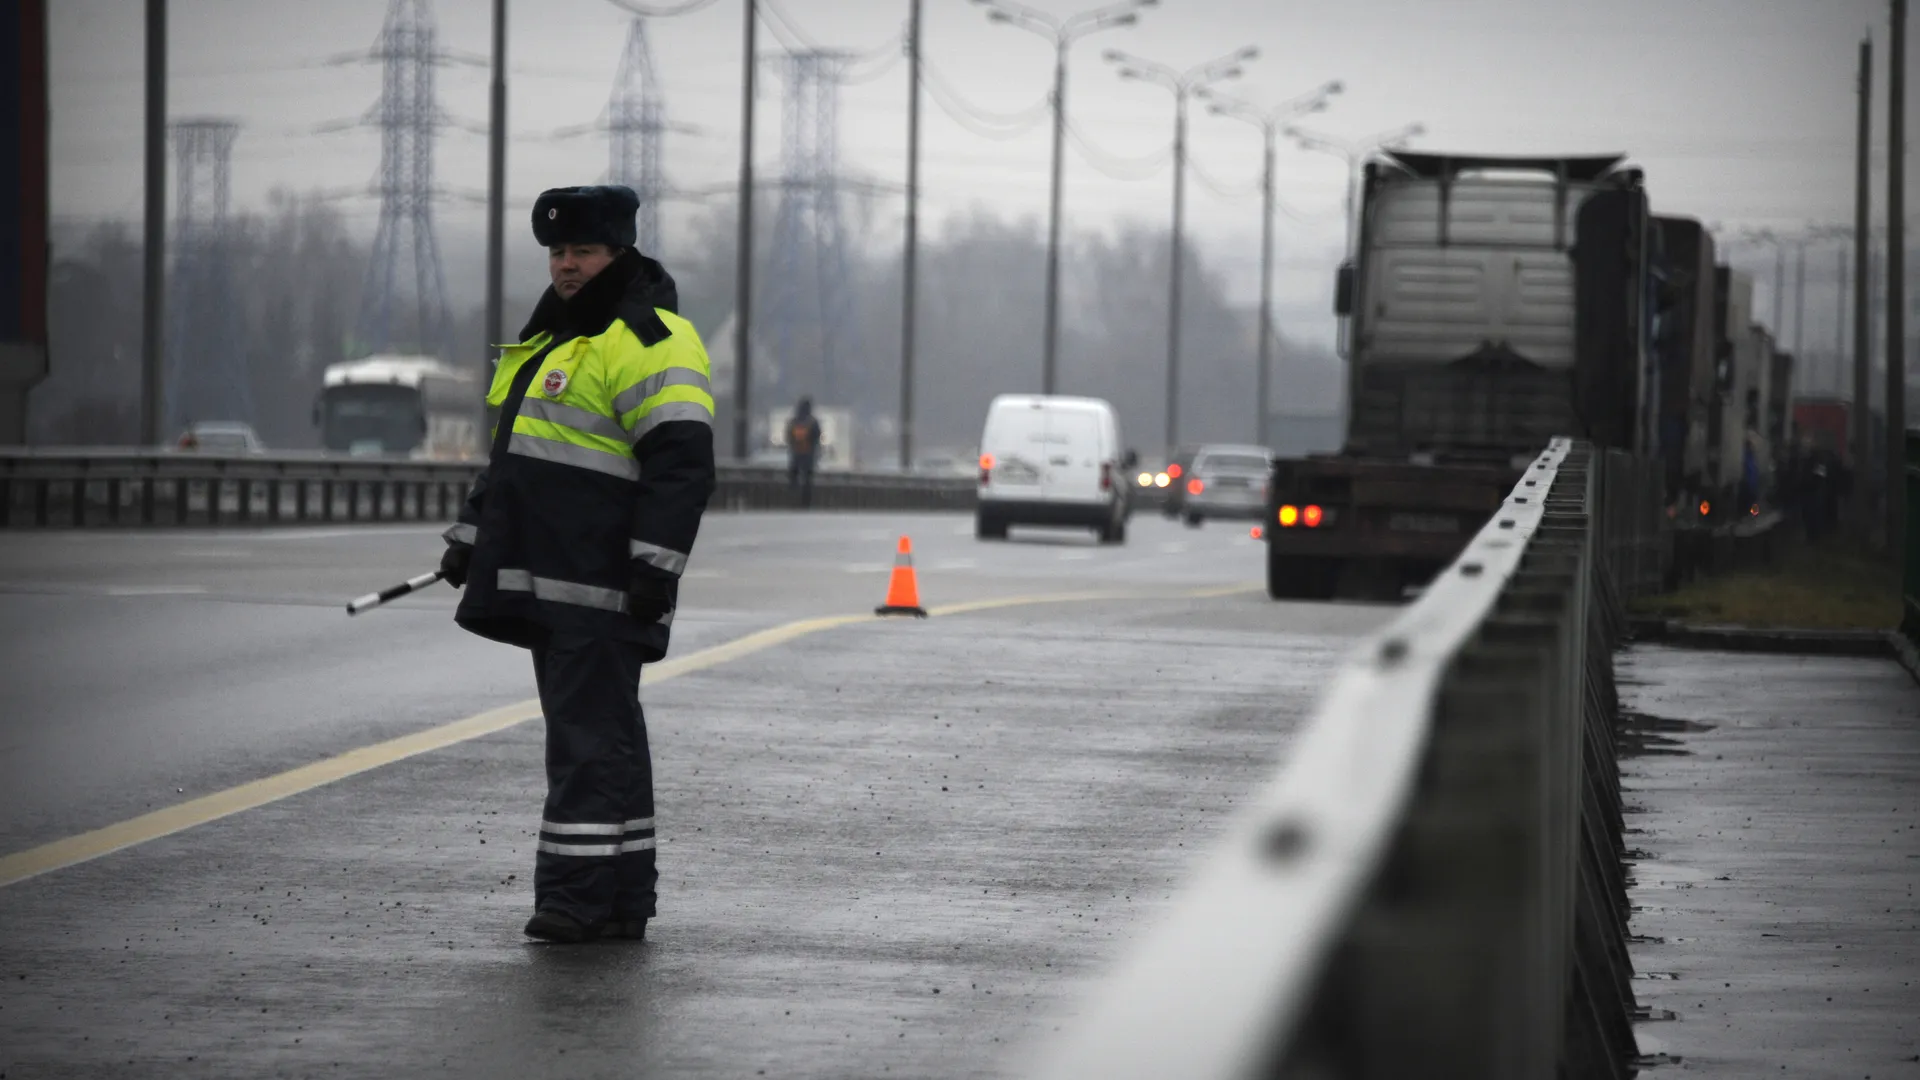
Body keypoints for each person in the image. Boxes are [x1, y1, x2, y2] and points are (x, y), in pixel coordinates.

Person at [436, 184, 716, 943]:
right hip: (551, 579)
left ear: (618, 251)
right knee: (600, 736)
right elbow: (518, 455)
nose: (566, 265)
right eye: (558, 253)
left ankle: (575, 900)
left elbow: (681, 464)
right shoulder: (556, 336)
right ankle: (619, 899)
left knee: (587, 743)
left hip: (604, 584)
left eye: (582, 252)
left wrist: (656, 567)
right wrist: (471, 532)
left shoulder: (650, 339)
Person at [785, 397, 822, 508]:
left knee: (794, 477)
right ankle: (805, 503)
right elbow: (817, 436)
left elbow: (789, 436)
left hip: (796, 454)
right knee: (807, 480)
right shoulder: (812, 422)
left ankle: (792, 498)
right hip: (808, 455)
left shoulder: (794, 421)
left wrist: (794, 446)